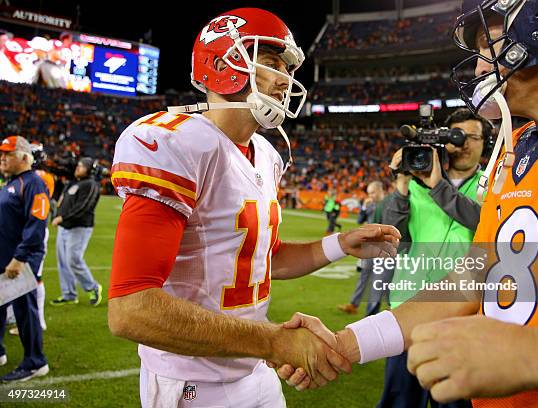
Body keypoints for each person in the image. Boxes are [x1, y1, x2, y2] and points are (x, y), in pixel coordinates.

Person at [275, 0, 538, 405]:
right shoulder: (521, 146)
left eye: (489, 45)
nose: (478, 68)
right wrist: (347, 343)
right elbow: (471, 281)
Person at [106, 8, 400, 408]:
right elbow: (131, 308)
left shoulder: (265, 154)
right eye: (271, 63)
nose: (286, 80)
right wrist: (276, 341)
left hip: (253, 367)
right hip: (194, 384)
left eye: (287, 68)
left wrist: (340, 244)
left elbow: (264, 258)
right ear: (223, 61)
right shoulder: (175, 142)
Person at [377, 109, 492, 408]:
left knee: (453, 401)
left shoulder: (491, 185)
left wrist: (437, 186)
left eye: (472, 137)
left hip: (459, 311)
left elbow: (481, 220)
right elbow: (394, 236)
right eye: (456, 136)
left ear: (485, 143)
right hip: (409, 306)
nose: (463, 143)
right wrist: (401, 189)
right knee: (400, 400)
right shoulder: (416, 183)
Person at [0, 135, 49, 381]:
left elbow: (37, 223)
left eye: (7, 154)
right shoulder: (12, 182)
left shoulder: (32, 183)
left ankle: (35, 361)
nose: (2, 158)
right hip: (5, 257)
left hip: (20, 260)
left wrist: (19, 258)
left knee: (24, 310)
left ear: (23, 156)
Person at [50, 157, 102, 306]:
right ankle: (69, 295)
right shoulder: (74, 182)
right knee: (63, 262)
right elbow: (63, 200)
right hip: (64, 227)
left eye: (82, 166)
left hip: (79, 227)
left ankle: (93, 287)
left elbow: (83, 207)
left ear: (89, 169)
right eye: (78, 165)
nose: (78, 168)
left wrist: (62, 217)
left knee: (73, 260)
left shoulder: (90, 185)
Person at [338, 181, 387, 315]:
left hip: (383, 248)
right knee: (364, 276)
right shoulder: (370, 205)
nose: (370, 195)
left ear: (380, 191)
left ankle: (374, 313)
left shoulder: (388, 205)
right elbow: (359, 221)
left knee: (379, 280)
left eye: (372, 192)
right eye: (369, 193)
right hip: (369, 246)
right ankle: (353, 304)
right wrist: (364, 209)